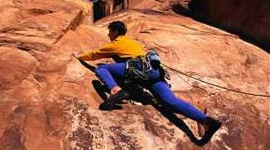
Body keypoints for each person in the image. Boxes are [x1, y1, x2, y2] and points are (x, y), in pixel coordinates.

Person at [73, 21, 221, 144]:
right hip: (155, 73)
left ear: (116, 31)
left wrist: (79, 56)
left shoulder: (118, 43)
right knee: (169, 101)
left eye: (110, 31)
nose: (108, 35)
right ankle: (206, 121)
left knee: (102, 69)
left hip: (137, 69)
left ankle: (116, 90)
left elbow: (94, 54)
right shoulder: (135, 43)